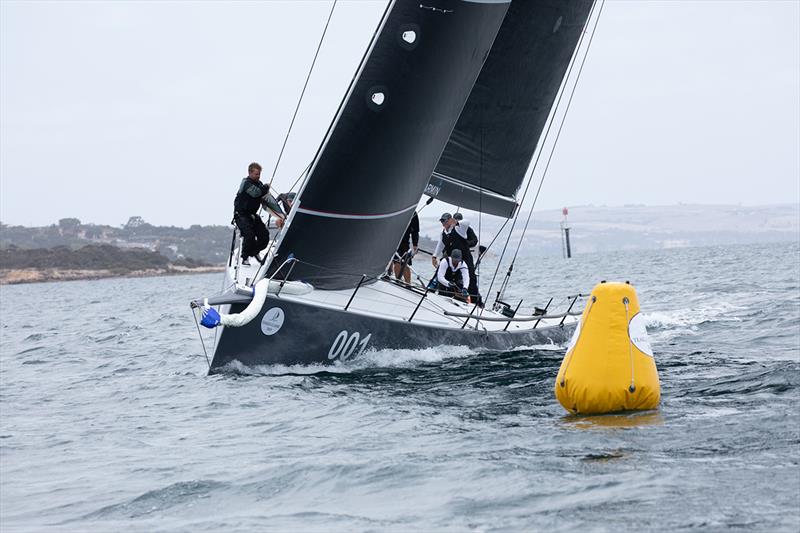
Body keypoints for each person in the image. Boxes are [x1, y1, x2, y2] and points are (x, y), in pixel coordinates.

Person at [432, 212, 482, 305]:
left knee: (471, 279)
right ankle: (441, 297)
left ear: (450, 220)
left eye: (445, 221)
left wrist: (456, 222)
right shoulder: (443, 233)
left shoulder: (459, 229)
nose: (443, 224)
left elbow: (467, 222)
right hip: (452, 260)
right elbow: (441, 244)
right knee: (445, 277)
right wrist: (434, 256)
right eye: (442, 222)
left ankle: (476, 303)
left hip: (465, 258)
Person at [233, 162, 272, 265]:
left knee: (265, 237)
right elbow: (256, 193)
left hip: (252, 215)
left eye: (259, 174)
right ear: (250, 173)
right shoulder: (246, 183)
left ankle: (254, 252)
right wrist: (265, 188)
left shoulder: (259, 184)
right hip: (241, 215)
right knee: (249, 235)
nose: (258, 176)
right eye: (256, 174)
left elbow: (262, 196)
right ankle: (245, 258)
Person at [393, 212, 419, 283]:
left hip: (405, 243)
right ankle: (397, 281)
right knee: (397, 261)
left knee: (406, 263)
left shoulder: (414, 213)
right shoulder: (397, 209)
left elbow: (415, 231)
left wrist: (415, 244)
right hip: (393, 242)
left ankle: (408, 284)